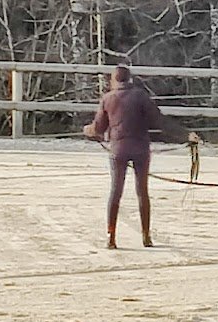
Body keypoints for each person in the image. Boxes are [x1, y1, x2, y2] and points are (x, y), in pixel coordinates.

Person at [83, 65, 199, 249]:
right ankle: (146, 236)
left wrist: (87, 130)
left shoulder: (107, 99)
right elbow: (161, 122)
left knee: (116, 191)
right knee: (142, 192)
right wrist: (186, 134)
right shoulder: (141, 96)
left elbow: (98, 128)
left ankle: (111, 236)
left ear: (114, 80)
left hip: (118, 150)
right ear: (130, 79)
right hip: (140, 150)